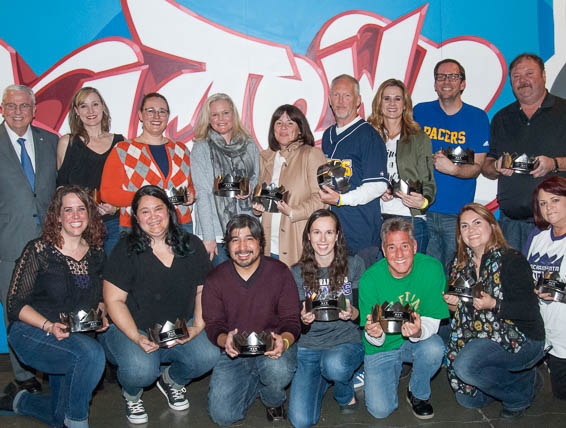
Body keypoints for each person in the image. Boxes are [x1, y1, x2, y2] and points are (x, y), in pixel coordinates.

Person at [99, 185, 219, 424]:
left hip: (178, 327)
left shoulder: (191, 244)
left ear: (170, 211)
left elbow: (203, 291)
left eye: (158, 209)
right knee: (141, 370)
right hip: (134, 329)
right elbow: (114, 300)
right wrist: (136, 337)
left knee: (209, 354)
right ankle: (132, 394)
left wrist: (197, 327)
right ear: (135, 217)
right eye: (145, 211)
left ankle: (172, 379)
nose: (153, 216)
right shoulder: (125, 249)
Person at [0, 185, 107, 427]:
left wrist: (102, 315)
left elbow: (100, 297)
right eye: (68, 210)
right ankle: (78, 422)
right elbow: (14, 306)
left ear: (90, 214)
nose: (76, 216)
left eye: (81, 209)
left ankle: (19, 401)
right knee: (92, 354)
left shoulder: (97, 253)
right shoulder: (38, 250)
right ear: (57, 216)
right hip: (33, 333)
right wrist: (49, 326)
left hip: (71, 339)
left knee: (60, 416)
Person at [444, 203, 545, 419]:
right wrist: (452, 303)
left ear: (492, 225)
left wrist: (494, 304)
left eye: (477, 223)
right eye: (464, 226)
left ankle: (520, 394)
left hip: (522, 336)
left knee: (465, 366)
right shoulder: (458, 263)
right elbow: (456, 310)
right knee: (469, 400)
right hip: (477, 334)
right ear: (460, 234)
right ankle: (518, 379)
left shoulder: (511, 260)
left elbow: (528, 310)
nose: (471, 230)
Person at [202, 214, 300, 425]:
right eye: (235, 240)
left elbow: (292, 320)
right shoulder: (215, 278)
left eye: (249, 239)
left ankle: (273, 399)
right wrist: (224, 341)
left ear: (260, 243)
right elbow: (213, 325)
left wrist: (282, 343)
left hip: (271, 347)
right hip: (234, 353)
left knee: (277, 371)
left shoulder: (279, 272)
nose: (242, 246)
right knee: (223, 417)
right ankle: (256, 379)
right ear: (227, 246)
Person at [0, 84, 58, 396]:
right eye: (12, 106)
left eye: (24, 106)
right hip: (7, 246)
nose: (18, 112)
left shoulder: (51, 142)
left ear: (34, 110)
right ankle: (24, 377)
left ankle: (52, 366)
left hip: (50, 245)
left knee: (49, 307)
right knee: (15, 312)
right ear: (2, 109)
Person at [359, 217, 448, 420]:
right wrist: (375, 333)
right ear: (383, 250)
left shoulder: (432, 268)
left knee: (434, 347)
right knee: (380, 411)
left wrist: (418, 332)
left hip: (414, 342)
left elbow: (434, 319)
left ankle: (417, 392)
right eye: (391, 247)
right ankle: (393, 369)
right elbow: (372, 335)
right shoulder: (370, 279)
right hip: (381, 347)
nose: (399, 254)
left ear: (415, 246)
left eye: (405, 246)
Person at [288, 209, 365, 428]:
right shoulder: (297, 272)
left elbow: (361, 313)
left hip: (345, 342)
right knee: (301, 421)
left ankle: (343, 393)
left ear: (338, 235)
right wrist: (303, 319)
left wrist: (352, 313)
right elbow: (296, 323)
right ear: (308, 237)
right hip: (309, 347)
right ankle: (324, 377)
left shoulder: (354, 264)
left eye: (329, 232)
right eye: (317, 233)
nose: (323, 239)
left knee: (335, 365)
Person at [482, 53, 566, 251]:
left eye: (529, 73)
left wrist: (553, 164)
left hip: (556, 224)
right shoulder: (502, 118)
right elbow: (486, 166)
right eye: (516, 76)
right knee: (512, 281)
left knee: (553, 282)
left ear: (544, 75)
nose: (523, 81)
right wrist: (496, 166)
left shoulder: (563, 111)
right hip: (510, 224)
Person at [413, 59, 489, 273]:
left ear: (462, 84)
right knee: (426, 275)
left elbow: (477, 166)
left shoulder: (477, 118)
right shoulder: (420, 112)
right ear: (435, 84)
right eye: (441, 76)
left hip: (457, 215)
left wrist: (453, 169)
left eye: (453, 76)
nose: (446, 81)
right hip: (423, 210)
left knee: (456, 275)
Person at [100, 92, 195, 234]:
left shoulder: (181, 149)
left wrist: (191, 195)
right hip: (138, 227)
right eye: (150, 111)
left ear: (167, 116)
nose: (156, 116)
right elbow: (107, 194)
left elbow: (190, 185)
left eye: (162, 111)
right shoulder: (123, 150)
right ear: (140, 115)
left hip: (181, 224)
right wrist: (148, 197)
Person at [320, 74, 388, 269]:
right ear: (330, 100)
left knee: (360, 295)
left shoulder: (368, 136)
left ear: (358, 100)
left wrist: (342, 200)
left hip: (361, 233)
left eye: (347, 96)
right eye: (336, 95)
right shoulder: (328, 135)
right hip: (333, 232)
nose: (341, 101)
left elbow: (378, 185)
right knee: (339, 294)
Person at [367, 78, 436, 253]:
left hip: (410, 218)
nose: (392, 103)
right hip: (375, 218)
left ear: (405, 104)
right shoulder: (368, 136)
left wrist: (423, 202)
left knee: (413, 279)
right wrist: (376, 190)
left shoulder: (419, 138)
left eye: (397, 98)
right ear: (379, 103)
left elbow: (428, 181)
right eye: (387, 98)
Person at [253, 104, 327, 266]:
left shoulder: (312, 155)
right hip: (267, 245)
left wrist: (293, 212)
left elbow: (322, 198)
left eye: (289, 123)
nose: (283, 127)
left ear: (300, 129)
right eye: (278, 122)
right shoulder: (266, 158)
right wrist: (256, 208)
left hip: (296, 243)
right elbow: (261, 196)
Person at [191, 93, 259, 266]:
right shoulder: (201, 148)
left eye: (225, 113)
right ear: (208, 119)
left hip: (246, 230)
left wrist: (249, 188)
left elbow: (255, 179)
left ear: (233, 115)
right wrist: (209, 237)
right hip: (216, 233)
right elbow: (203, 194)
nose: (220, 118)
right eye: (214, 114)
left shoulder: (250, 145)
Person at [57, 87, 124, 255]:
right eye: (84, 106)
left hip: (114, 225)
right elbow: (60, 189)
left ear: (103, 107)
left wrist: (115, 207)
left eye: (95, 104)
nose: (91, 111)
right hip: (78, 227)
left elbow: (129, 189)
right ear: (76, 111)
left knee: (114, 278)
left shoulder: (121, 143)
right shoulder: (67, 143)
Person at [525, 176, 566, 400]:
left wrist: (559, 292)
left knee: (561, 396)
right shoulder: (537, 236)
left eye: (555, 200)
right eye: (543, 203)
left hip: (564, 334)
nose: (548, 208)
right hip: (540, 330)